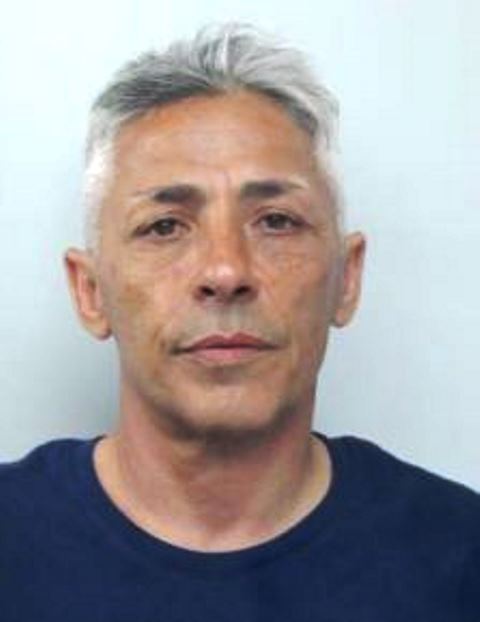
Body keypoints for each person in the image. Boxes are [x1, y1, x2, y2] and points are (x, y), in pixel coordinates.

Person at [0, 23, 478, 621]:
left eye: (276, 221)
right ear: (89, 291)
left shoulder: (460, 560)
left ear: (347, 278)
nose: (225, 271)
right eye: (165, 227)